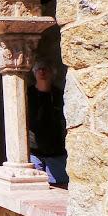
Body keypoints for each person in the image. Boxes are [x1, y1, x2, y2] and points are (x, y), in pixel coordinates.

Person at [28, 59, 69, 187]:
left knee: (59, 186)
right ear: (34, 73)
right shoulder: (27, 94)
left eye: (45, 69)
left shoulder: (59, 94)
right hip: (34, 150)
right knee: (33, 186)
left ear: (52, 73)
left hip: (56, 150)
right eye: (38, 69)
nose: (42, 71)